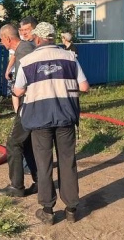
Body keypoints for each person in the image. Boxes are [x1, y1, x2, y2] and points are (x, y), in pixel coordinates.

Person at [14, 22, 89, 225]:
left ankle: (48, 210)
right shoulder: (70, 57)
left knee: (43, 162)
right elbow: (84, 86)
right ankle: (72, 208)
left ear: (37, 39)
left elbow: (18, 90)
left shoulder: (28, 61)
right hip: (65, 117)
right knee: (67, 160)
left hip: (40, 119)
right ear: (54, 38)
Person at [0, 24, 38, 198]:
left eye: (1, 39)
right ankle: (40, 182)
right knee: (27, 144)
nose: (1, 42)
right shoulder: (25, 48)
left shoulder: (24, 51)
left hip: (29, 104)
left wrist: (18, 98)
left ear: (7, 38)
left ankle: (16, 186)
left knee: (13, 143)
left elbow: (28, 80)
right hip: (32, 103)